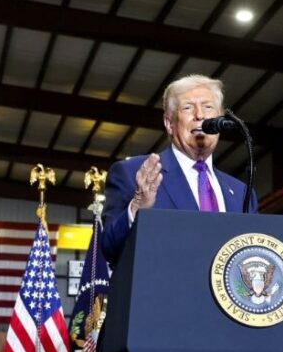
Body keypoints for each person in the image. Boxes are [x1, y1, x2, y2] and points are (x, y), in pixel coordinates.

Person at [101, 74, 257, 264]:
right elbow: (109, 248)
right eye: (188, 108)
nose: (200, 115)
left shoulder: (241, 192)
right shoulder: (134, 173)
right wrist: (136, 208)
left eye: (208, 107)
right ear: (169, 124)